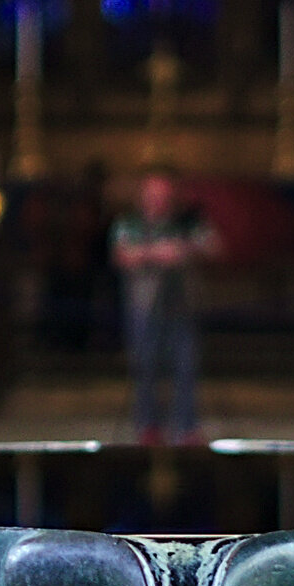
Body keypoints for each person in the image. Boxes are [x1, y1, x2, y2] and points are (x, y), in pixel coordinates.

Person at [109, 168, 216, 443]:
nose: (158, 200)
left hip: (181, 306)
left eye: (163, 194)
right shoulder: (129, 224)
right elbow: (121, 255)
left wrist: (185, 248)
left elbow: (214, 246)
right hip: (144, 307)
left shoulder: (185, 222)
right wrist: (155, 253)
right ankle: (148, 426)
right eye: (153, 194)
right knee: (145, 367)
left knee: (185, 367)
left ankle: (186, 427)